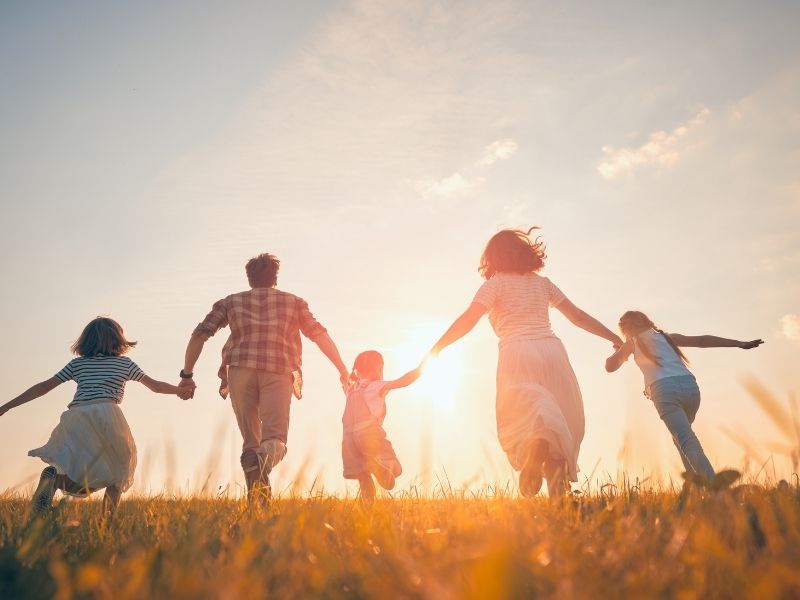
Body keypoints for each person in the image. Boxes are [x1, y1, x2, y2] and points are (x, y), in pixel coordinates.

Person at [429, 228, 622, 498]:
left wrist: (438, 347)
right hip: (553, 352)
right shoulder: (542, 284)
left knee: (525, 416)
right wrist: (614, 338)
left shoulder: (494, 285)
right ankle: (559, 499)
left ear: (492, 258)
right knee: (560, 421)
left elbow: (469, 319)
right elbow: (577, 316)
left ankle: (536, 447)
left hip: (516, 352)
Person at [179, 253, 349, 502]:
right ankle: (260, 467)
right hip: (277, 369)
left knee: (251, 440)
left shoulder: (230, 302)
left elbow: (199, 335)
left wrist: (187, 374)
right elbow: (319, 335)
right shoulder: (294, 302)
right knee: (275, 439)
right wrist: (342, 369)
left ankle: (258, 503)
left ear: (249, 279)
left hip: (240, 371)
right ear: (275, 278)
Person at [0, 317, 192, 515]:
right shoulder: (124, 364)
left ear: (86, 342)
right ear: (118, 341)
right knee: (119, 470)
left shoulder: (78, 364)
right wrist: (180, 391)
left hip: (77, 416)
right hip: (107, 415)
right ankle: (105, 524)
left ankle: (53, 480)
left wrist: (7, 405)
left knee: (81, 470)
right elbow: (157, 387)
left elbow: (44, 387)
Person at [605, 310, 763, 483]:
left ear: (625, 329)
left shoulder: (632, 343)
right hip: (690, 388)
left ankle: (716, 490)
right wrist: (739, 343)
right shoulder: (666, 337)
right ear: (646, 321)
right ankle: (696, 489)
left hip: (665, 391)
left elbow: (610, 366)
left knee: (687, 442)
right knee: (681, 440)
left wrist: (620, 350)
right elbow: (702, 341)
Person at [342, 351, 423, 501]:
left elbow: (344, 381)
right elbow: (403, 381)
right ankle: (375, 465)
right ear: (379, 368)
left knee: (363, 478)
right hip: (368, 434)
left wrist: (344, 374)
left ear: (357, 371)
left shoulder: (351, 389)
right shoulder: (376, 385)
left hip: (348, 440)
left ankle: (367, 510)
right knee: (395, 470)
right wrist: (421, 367)